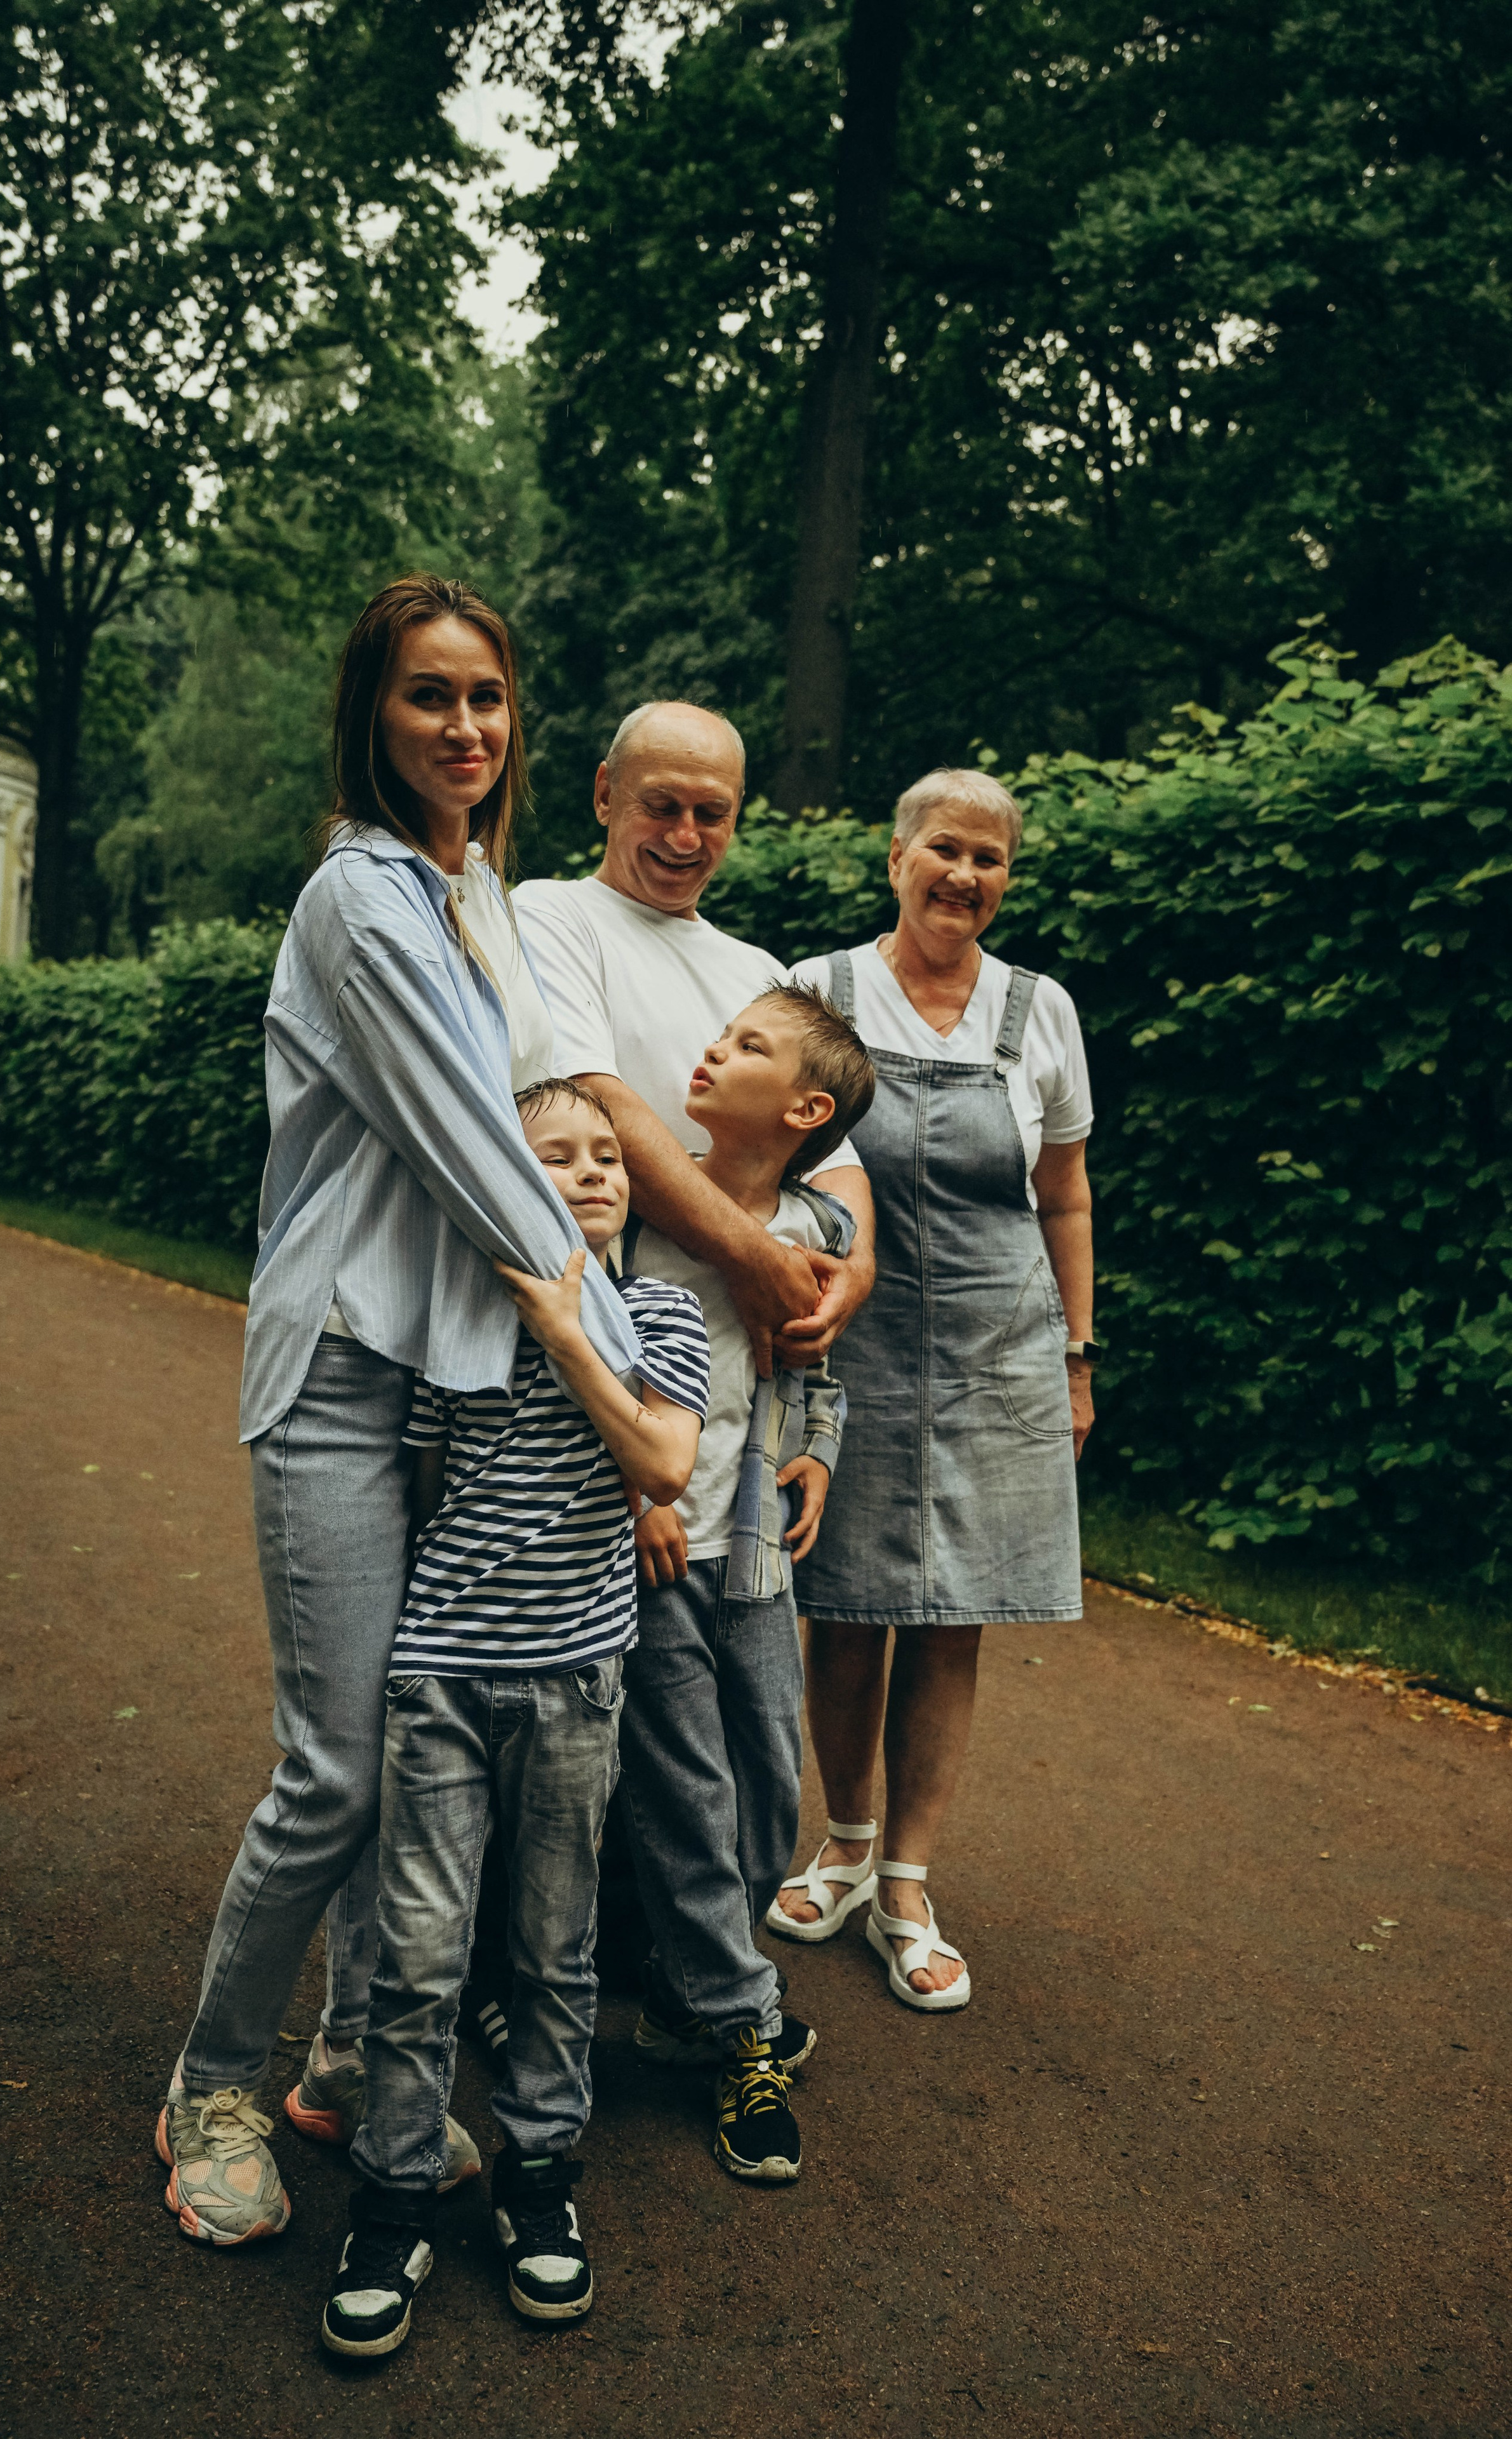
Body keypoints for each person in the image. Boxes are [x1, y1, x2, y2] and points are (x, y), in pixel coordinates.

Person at [156, 574, 645, 2247]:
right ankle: (213, 2080)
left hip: (459, 1378)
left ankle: (354, 2060)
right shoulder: (364, 899)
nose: (463, 727)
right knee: (336, 1769)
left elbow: (563, 1111)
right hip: (342, 1375)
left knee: (415, 1744)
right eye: (428, 697)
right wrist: (630, 1387)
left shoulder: (479, 889)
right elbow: (482, 1151)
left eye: (488, 700)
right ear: (374, 713)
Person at [320, 1080, 707, 2356]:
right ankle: (392, 2198)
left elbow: (661, 1464)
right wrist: (528, 1314)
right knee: (421, 1955)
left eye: (609, 1156)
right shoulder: (456, 1323)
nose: (595, 1172)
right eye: (559, 1156)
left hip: (575, 1682)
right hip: (440, 1675)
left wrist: (562, 1329)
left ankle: (539, 2190)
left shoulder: (661, 1315)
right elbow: (425, 1487)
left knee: (553, 1949)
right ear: (508, 1177)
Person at [768, 769, 1096, 2012]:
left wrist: (1075, 1356)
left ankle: (907, 1882)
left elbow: (1060, 1195)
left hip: (998, 1354)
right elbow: (771, 1153)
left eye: (989, 859)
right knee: (842, 1604)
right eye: (944, 850)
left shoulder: (1039, 1011)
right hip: (846, 1344)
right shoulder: (822, 991)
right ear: (896, 854)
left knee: (951, 1611)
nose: (965, 876)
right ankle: (842, 1845)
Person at [616, 983, 874, 2184]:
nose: (712, 1052)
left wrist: (817, 1445)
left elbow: (820, 1360)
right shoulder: (640, 1212)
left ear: (807, 1107)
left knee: (770, 1776)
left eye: (747, 1047)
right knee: (681, 1780)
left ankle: (687, 1985)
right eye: (718, 1038)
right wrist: (639, 1491)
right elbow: (592, 1364)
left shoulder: (819, 1228)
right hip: (657, 1550)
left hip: (756, 1551)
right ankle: (746, 2025)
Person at [512, 701, 874, 1378]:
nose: (684, 837)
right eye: (661, 806)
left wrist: (853, 1274)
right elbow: (597, 1104)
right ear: (604, 796)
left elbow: (834, 1160)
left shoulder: (761, 972)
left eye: (710, 815)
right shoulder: (546, 916)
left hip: (745, 1365)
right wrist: (753, 1257)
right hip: (604, 1345)